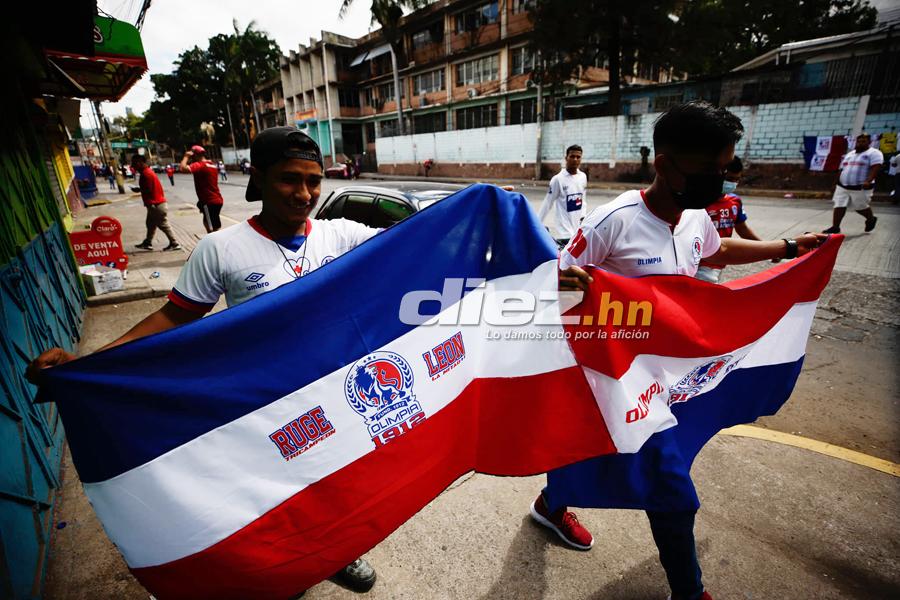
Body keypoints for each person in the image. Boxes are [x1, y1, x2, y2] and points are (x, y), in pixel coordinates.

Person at [26, 126, 381, 595]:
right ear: (259, 178)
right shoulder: (222, 249)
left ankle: (339, 551)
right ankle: (289, 566)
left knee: (337, 480)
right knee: (281, 489)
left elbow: (418, 244)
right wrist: (86, 366)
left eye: (314, 181)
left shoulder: (344, 234)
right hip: (266, 403)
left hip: (337, 392)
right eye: (289, 179)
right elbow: (173, 317)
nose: (304, 193)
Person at [531, 101, 824, 600]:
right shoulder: (615, 221)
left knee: (597, 454)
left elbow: (717, 251)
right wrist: (576, 291)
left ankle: (549, 504)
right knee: (671, 487)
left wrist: (788, 248)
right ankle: (690, 592)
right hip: (621, 378)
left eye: (727, 168)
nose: (722, 180)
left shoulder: (696, 216)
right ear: (665, 165)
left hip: (674, 376)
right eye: (711, 169)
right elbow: (557, 283)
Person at [695, 156, 763, 284]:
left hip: (720, 262)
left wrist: (765, 246)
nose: (733, 184)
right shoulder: (698, 201)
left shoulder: (734, 201)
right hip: (701, 264)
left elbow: (743, 229)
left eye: (737, 180)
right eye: (729, 179)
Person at [823, 133, 881, 234]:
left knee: (860, 207)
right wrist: (835, 183)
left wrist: (869, 180)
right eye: (858, 141)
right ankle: (835, 227)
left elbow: (876, 167)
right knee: (839, 205)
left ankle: (871, 219)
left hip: (861, 187)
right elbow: (841, 169)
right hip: (843, 186)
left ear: (869, 142)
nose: (860, 143)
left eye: (863, 141)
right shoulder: (850, 154)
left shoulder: (874, 153)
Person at [537, 144, 587, 247]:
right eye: (572, 156)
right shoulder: (558, 179)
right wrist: (536, 223)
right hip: (564, 232)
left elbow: (583, 199)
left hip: (577, 231)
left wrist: (583, 216)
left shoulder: (582, 177)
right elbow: (548, 202)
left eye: (578, 157)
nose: (575, 159)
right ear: (566, 158)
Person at [132, 154, 181, 252]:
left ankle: (175, 243)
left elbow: (149, 190)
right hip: (155, 204)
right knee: (150, 224)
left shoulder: (146, 174)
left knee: (163, 224)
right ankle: (147, 242)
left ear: (140, 163)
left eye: (134, 163)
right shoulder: (147, 172)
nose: (133, 166)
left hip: (156, 204)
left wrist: (139, 190)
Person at [180, 145, 225, 233]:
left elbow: (183, 168)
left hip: (208, 201)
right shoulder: (212, 165)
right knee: (215, 225)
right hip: (217, 200)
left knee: (210, 228)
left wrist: (186, 156)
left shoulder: (200, 165)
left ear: (195, 156)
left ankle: (214, 244)